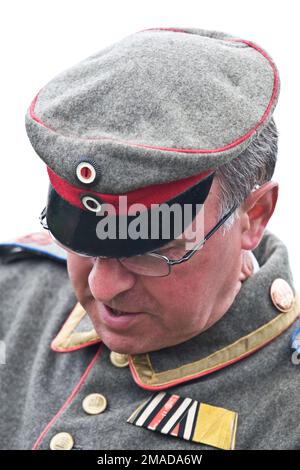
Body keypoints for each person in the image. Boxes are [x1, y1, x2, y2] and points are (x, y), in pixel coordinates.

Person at [0, 26, 299, 450]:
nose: (102, 287)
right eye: (80, 241)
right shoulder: (11, 293)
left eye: (152, 250)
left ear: (253, 217)